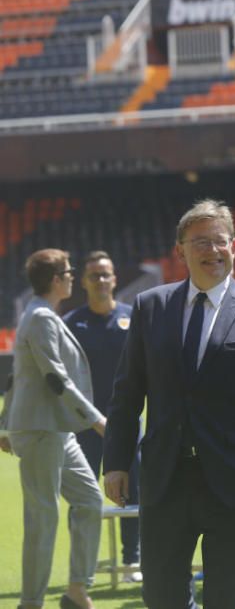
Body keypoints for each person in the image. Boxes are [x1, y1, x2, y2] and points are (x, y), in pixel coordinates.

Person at [103, 199, 235, 608]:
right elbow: (128, 391)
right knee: (162, 595)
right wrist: (117, 462)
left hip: (234, 481)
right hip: (164, 478)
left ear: (234, 247)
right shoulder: (150, 307)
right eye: (200, 242)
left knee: (228, 595)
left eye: (219, 241)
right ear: (180, 251)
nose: (212, 251)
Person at [5, 249, 105, 609]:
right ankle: (30, 603)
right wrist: (96, 419)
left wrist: (4, 424)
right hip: (40, 429)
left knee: (89, 501)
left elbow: (21, 376)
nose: (72, 276)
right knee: (43, 517)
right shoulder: (41, 317)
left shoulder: (43, 315)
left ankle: (77, 590)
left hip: (56, 429)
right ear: (54, 280)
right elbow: (54, 378)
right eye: (67, 271)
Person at [63, 250, 141, 582]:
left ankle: (131, 562)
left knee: (132, 492)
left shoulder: (131, 319)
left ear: (115, 278)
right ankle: (85, 567)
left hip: (125, 424)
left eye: (106, 274)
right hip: (83, 426)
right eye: (94, 275)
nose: (101, 280)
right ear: (83, 281)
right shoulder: (71, 323)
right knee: (83, 497)